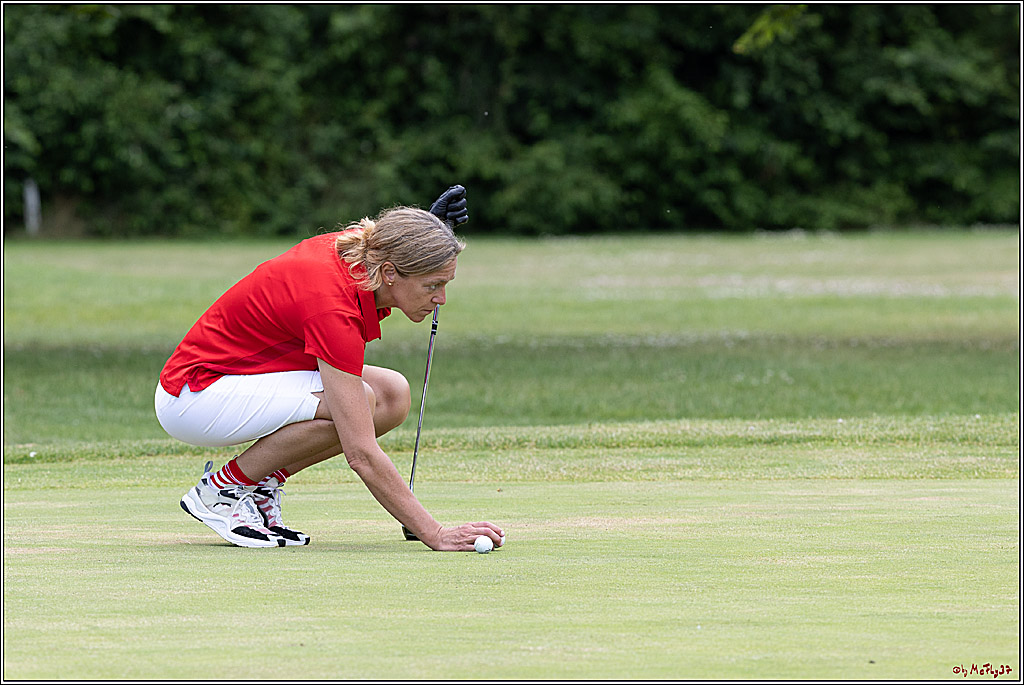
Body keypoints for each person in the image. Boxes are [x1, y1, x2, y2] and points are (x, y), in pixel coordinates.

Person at [155, 185, 504, 551]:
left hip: (242, 379)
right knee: (361, 403)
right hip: (195, 396)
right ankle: (222, 490)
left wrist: (428, 231)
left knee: (392, 394)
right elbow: (361, 453)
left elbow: (389, 239)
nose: (441, 299)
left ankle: (258, 485)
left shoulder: (366, 253)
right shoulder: (333, 306)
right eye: (432, 285)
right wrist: (435, 533)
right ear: (389, 273)